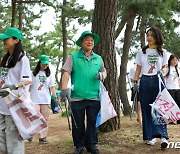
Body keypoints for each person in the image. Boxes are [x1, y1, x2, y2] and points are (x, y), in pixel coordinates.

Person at [60, 31, 107, 154]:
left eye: (92, 40)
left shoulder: (98, 58)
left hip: (94, 96)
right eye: (87, 39)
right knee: (77, 123)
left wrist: (102, 75)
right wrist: (64, 89)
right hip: (77, 97)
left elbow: (104, 71)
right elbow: (66, 73)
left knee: (92, 122)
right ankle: (79, 145)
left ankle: (91, 144)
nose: (90, 42)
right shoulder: (73, 57)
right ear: (82, 42)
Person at [133, 27, 169, 149]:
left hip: (158, 80)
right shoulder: (142, 52)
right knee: (146, 108)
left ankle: (163, 136)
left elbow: (165, 67)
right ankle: (150, 136)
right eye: (148, 35)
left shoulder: (163, 52)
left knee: (160, 108)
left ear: (157, 37)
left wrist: (162, 72)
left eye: (152, 35)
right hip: (145, 81)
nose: (149, 38)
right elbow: (138, 68)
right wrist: (135, 79)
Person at [0, 27, 32, 154]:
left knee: (14, 139)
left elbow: (28, 80)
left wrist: (13, 87)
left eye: (6, 39)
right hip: (2, 104)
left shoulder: (22, 59)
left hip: (13, 105)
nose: (4, 41)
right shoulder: (6, 59)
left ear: (16, 40)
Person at [29, 55, 57, 144]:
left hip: (45, 99)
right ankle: (30, 134)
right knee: (34, 117)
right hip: (34, 98)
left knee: (44, 119)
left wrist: (55, 97)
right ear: (39, 63)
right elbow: (29, 86)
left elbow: (52, 87)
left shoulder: (49, 74)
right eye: (43, 64)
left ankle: (42, 137)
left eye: (46, 64)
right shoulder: (32, 73)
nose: (45, 66)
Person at [164, 54, 180, 124]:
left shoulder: (178, 69)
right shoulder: (168, 68)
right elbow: (164, 78)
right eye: (173, 60)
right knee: (171, 105)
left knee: (178, 104)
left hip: (177, 88)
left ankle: (179, 119)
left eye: (176, 60)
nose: (175, 61)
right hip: (169, 89)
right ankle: (171, 120)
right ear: (170, 61)